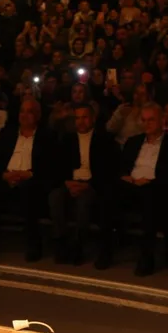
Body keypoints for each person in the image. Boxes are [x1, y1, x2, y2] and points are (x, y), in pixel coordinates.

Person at [116, 102, 168, 276]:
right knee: (109, 193)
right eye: (144, 120)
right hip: (131, 185)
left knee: (150, 197)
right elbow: (121, 167)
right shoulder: (133, 142)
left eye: (151, 120)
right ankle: (105, 250)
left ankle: (146, 256)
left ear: (162, 120)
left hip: (155, 188)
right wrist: (126, 177)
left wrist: (149, 182)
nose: (146, 124)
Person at [0, 99, 55, 261]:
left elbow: (50, 166)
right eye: (22, 111)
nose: (24, 115)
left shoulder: (46, 137)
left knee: (30, 193)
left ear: (38, 115)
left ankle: (33, 245)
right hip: (7, 178)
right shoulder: (8, 133)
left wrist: (29, 175)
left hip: (31, 180)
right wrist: (4, 175)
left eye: (30, 112)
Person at [48, 103, 120, 266]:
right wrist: (67, 183)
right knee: (55, 197)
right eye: (77, 118)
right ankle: (60, 242)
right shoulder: (67, 139)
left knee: (84, 202)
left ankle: (78, 245)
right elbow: (57, 166)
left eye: (85, 117)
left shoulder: (104, 140)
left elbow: (108, 169)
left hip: (92, 183)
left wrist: (88, 185)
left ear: (93, 118)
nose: (81, 122)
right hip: (70, 182)